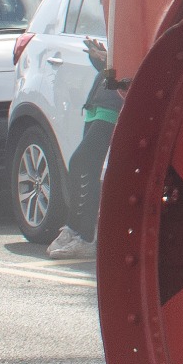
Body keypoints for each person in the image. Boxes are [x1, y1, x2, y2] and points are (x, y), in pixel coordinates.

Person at [46, 36, 121, 261]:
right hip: (98, 99)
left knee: (81, 163)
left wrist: (110, 59)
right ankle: (75, 230)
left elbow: (132, 60)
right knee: (86, 166)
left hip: (113, 101)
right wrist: (101, 60)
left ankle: (83, 234)